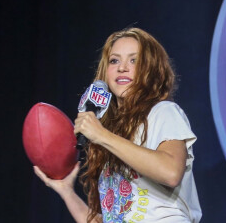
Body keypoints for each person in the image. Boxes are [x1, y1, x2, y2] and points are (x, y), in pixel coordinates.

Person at [34, 27, 202, 223]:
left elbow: (171, 172)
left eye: (134, 60)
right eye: (114, 60)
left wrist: (102, 135)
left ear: (151, 69)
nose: (122, 67)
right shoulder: (112, 139)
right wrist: (66, 190)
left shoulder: (163, 112)